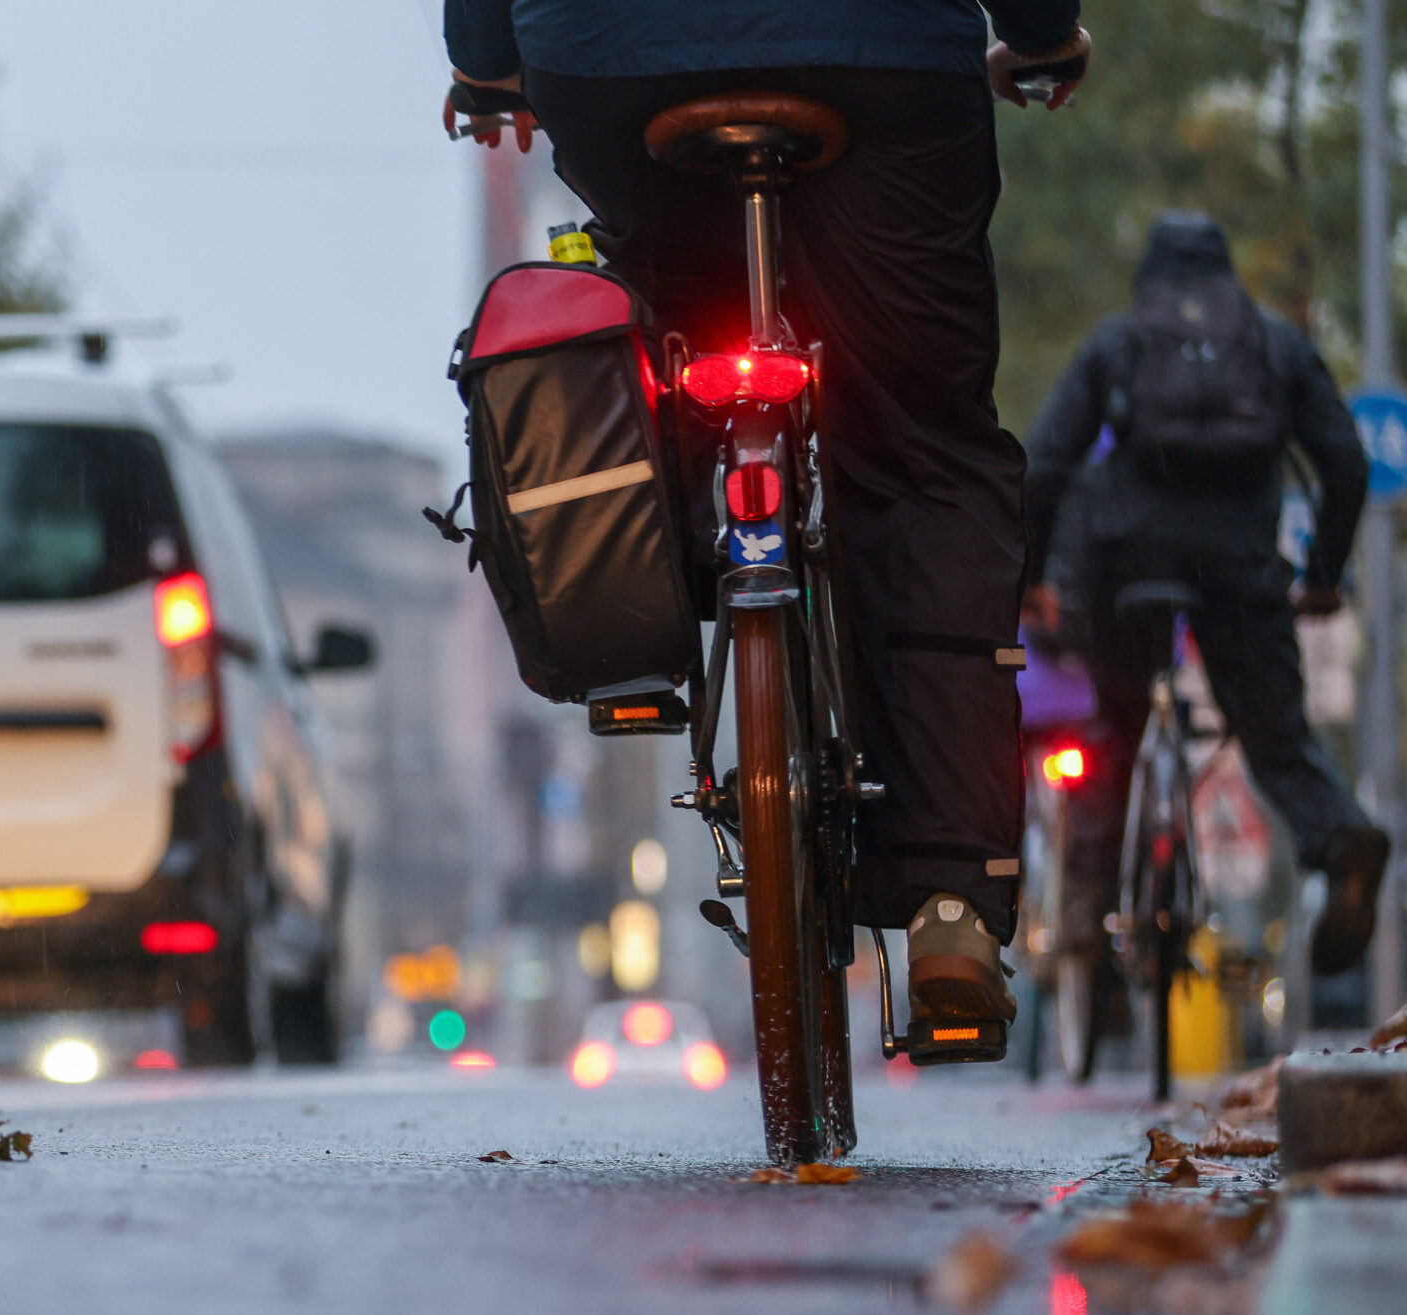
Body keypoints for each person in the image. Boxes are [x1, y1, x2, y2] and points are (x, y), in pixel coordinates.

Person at [442, 1, 1090, 1045]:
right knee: (923, 446)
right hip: (884, 58)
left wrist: (485, 65)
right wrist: (1044, 32)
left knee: (672, 365)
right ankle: (951, 902)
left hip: (614, 61)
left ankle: (690, 549)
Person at [1025, 211, 1387, 979]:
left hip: (1122, 565)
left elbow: (1045, 467)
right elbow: (1346, 466)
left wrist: (1030, 582)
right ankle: (1343, 837)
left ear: (1150, 276)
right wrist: (1321, 576)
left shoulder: (1119, 342)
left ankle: (1088, 909)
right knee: (1275, 738)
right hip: (1240, 566)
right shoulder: (1274, 346)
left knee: (1113, 729)